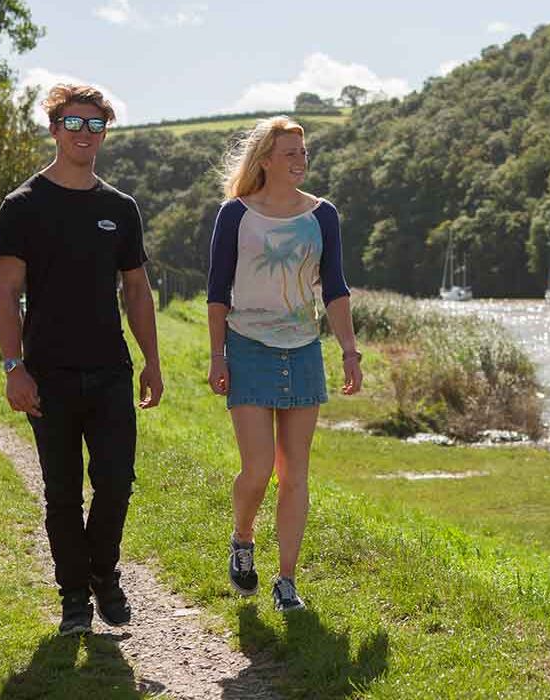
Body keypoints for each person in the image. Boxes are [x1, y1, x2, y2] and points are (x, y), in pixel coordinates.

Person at [0, 84, 163, 636]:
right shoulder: (22, 206)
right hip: (49, 375)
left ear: (105, 132)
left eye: (95, 125)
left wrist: (151, 361)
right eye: (74, 123)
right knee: (62, 492)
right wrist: (13, 367)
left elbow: (136, 290)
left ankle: (103, 573)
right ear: (54, 128)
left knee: (116, 483)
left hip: (111, 370)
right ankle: (74, 598)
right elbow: (5, 292)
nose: (84, 134)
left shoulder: (120, 208)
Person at [206, 116, 361, 611]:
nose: (300, 160)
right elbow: (216, 293)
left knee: (295, 473)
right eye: (290, 152)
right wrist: (217, 355)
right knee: (257, 470)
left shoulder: (323, 215)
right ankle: (242, 539)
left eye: (303, 152)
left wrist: (349, 350)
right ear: (265, 160)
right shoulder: (235, 215)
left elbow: (334, 287)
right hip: (247, 346)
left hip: (303, 349)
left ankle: (287, 581)